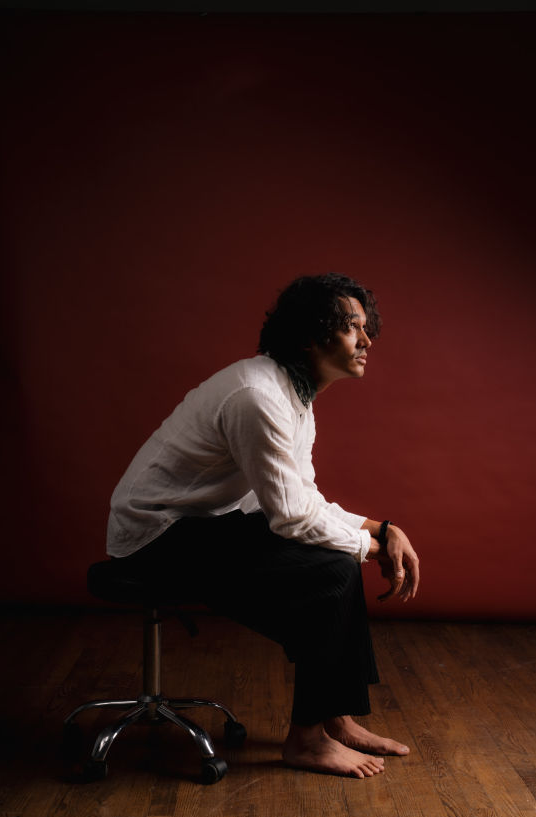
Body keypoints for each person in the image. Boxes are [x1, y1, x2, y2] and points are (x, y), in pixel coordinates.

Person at [107, 273, 419, 779]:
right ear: (310, 335)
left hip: (204, 522)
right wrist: (369, 546)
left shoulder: (293, 393)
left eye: (367, 328)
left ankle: (334, 718)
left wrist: (381, 528)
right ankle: (307, 740)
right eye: (351, 328)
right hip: (154, 538)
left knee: (337, 561)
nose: (367, 341)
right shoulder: (258, 396)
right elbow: (291, 517)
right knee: (333, 571)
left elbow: (302, 497)